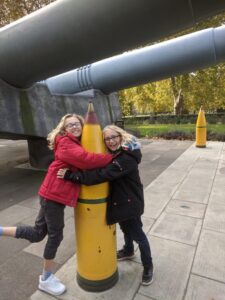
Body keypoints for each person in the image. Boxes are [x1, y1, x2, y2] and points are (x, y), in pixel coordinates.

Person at [0, 113, 113, 296]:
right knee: (55, 236)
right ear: (64, 129)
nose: (75, 127)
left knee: (37, 234)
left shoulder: (72, 141)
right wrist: (113, 158)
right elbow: (87, 159)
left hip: (50, 194)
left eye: (77, 124)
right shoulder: (67, 144)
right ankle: (46, 279)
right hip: (53, 197)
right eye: (70, 125)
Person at [57, 125, 154, 286]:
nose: (111, 141)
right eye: (107, 139)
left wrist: (73, 176)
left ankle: (148, 266)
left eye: (114, 137)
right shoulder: (116, 154)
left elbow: (104, 174)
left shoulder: (126, 157)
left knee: (138, 234)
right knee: (125, 227)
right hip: (122, 200)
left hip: (130, 201)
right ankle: (128, 250)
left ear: (120, 135)